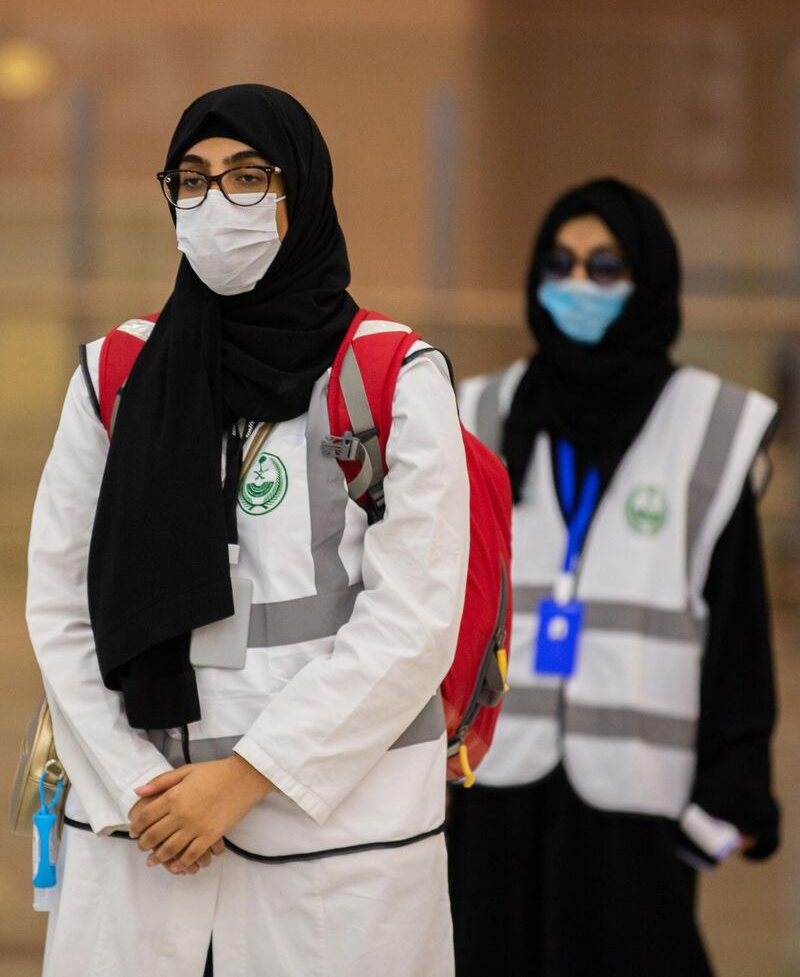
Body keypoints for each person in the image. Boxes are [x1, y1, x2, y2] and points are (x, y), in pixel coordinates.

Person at [26, 84, 470, 977]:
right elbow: (61, 605)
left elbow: (414, 622)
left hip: (333, 843)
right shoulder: (118, 372)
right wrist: (136, 792)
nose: (214, 203)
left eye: (247, 176)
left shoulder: (389, 373)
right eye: (190, 180)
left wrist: (244, 778)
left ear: (297, 193)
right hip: (143, 832)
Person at [446, 177, 780, 977]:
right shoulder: (474, 411)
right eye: (560, 263)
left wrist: (723, 807)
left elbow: (738, 637)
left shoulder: (711, 426)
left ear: (649, 281)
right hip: (489, 795)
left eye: (605, 266)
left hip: (637, 813)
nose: (577, 285)